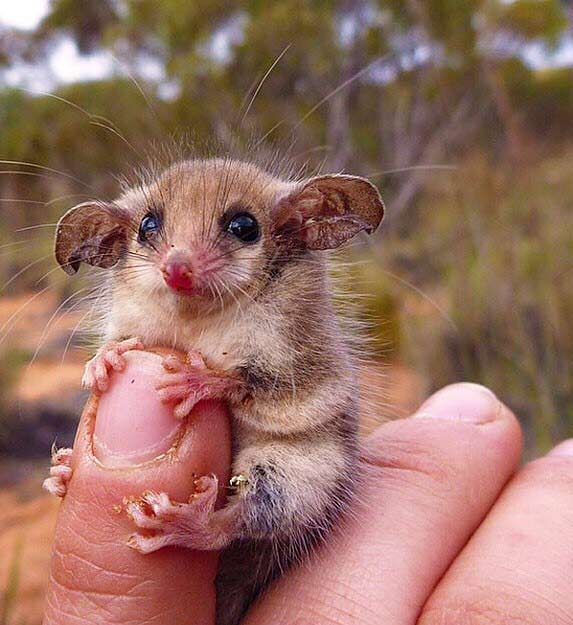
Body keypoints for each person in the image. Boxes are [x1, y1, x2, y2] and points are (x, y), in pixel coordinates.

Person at [42, 351, 573, 624]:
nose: (178, 264)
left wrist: (230, 384)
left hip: (277, 475)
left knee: (290, 477)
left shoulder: (289, 314)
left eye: (241, 229)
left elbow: (314, 396)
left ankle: (216, 523)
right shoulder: (140, 314)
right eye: (152, 229)